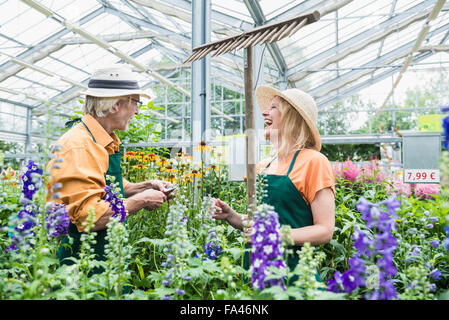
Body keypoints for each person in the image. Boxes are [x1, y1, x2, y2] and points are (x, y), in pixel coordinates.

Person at [46, 65, 173, 269]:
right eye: (136, 103)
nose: (137, 112)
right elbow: (90, 217)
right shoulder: (79, 145)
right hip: (84, 264)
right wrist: (142, 200)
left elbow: (106, 185)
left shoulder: (99, 139)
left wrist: (146, 186)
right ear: (116, 105)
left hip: (105, 256)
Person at [212, 85, 335, 283]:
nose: (264, 112)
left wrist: (275, 235)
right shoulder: (264, 165)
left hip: (293, 275)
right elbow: (259, 225)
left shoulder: (314, 161)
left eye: (274, 107)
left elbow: (325, 230)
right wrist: (232, 216)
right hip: (256, 269)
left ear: (292, 117)